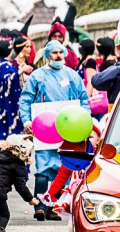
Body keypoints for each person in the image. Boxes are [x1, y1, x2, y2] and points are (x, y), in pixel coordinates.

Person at [20, 39, 91, 219]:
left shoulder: (73, 75)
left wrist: (85, 120)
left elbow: (83, 99)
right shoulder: (38, 76)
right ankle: (40, 206)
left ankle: (53, 207)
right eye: (54, 53)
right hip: (44, 128)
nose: (58, 56)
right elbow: (26, 99)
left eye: (61, 52)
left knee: (63, 167)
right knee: (43, 168)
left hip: (68, 129)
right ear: (47, 55)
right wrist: (27, 120)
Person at [0, 39, 23, 141]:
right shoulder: (5, 66)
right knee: (7, 135)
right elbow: (8, 80)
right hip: (5, 107)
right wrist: (20, 72)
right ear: (9, 52)